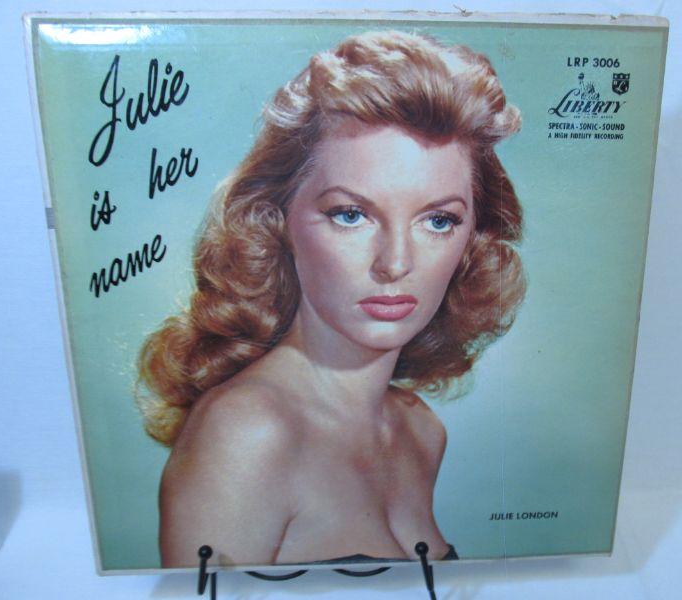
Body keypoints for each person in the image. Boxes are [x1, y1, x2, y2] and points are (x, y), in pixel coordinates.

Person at [136, 30, 525, 568]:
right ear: (277, 221)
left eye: (438, 221)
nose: (395, 263)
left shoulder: (418, 430)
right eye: (351, 214)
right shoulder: (246, 435)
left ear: (472, 239)